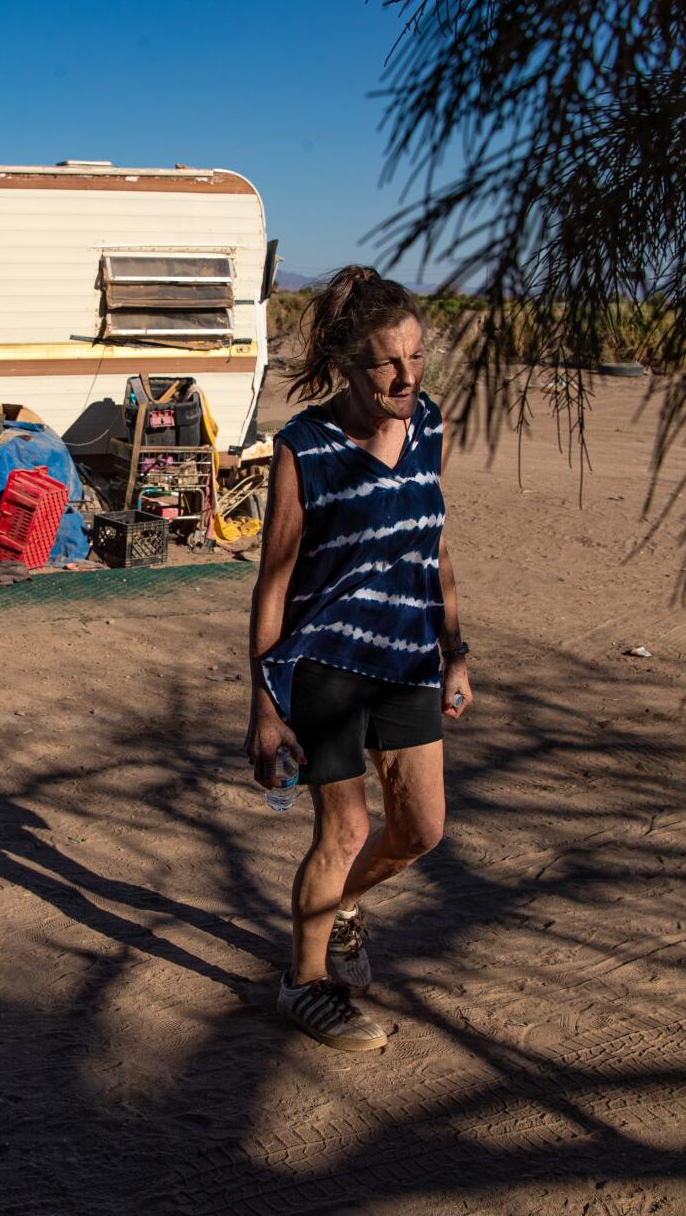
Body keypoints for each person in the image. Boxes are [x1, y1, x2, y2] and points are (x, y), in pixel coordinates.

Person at [246, 264, 472, 1052]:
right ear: (347, 362)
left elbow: (434, 541)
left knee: (421, 828)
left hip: (408, 653)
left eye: (416, 357)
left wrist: (455, 650)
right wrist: (265, 705)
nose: (407, 376)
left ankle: (340, 909)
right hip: (327, 662)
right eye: (387, 362)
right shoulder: (304, 448)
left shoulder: (431, 424)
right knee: (343, 831)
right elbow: (273, 580)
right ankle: (303, 983)